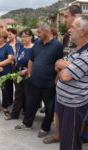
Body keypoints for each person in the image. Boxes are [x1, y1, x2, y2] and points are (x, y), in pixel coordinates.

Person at [15, 22, 63, 138]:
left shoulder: (57, 45)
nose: (38, 35)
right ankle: (27, 123)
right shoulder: (37, 43)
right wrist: (30, 74)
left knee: (49, 107)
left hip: (48, 83)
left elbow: (60, 64)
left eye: (40, 32)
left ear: (47, 31)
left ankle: (45, 128)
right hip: (34, 82)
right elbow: (31, 60)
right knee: (31, 104)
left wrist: (56, 80)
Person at [43, 5, 82, 144]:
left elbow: (82, 61)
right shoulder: (66, 36)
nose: (64, 19)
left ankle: (77, 138)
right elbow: (63, 57)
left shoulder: (84, 35)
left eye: (66, 16)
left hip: (77, 86)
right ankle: (59, 136)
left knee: (76, 117)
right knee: (58, 111)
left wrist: (64, 66)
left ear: (76, 16)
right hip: (61, 80)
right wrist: (58, 73)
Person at [55, 15, 88, 150]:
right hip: (64, 102)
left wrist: (62, 66)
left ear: (82, 31)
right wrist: (63, 65)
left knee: (71, 143)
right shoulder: (77, 50)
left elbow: (66, 76)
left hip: (73, 106)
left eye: (72, 27)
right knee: (66, 139)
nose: (69, 30)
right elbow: (57, 64)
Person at [10, 29, 34, 119]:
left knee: (28, 96)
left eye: (26, 36)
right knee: (18, 95)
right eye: (22, 36)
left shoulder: (34, 48)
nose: (23, 38)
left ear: (31, 37)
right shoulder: (21, 47)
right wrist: (15, 74)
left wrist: (26, 71)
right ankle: (14, 114)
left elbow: (35, 63)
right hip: (19, 74)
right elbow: (17, 60)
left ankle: (28, 115)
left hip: (28, 75)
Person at [7, 28, 23, 106]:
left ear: (15, 35)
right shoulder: (6, 44)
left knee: (17, 85)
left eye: (10, 34)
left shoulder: (20, 43)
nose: (9, 36)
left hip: (17, 65)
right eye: (8, 34)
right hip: (9, 65)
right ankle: (9, 101)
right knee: (9, 84)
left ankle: (18, 102)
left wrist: (17, 60)